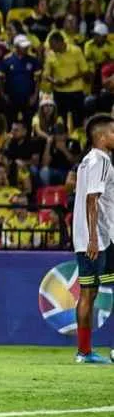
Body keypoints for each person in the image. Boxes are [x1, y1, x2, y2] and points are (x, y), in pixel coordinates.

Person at [71, 114, 114, 363]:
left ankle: (84, 352)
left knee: (88, 292)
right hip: (101, 239)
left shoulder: (86, 161)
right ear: (101, 136)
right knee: (89, 293)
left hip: (85, 237)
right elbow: (92, 199)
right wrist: (94, 238)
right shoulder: (101, 160)